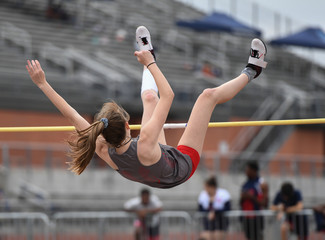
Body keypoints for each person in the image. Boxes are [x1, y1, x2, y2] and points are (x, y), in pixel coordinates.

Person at [25, 26, 268, 189]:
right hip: (182, 166)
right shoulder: (144, 139)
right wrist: (151, 64)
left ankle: (146, 49)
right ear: (129, 127)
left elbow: (72, 115)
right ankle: (252, 70)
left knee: (150, 99)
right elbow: (169, 95)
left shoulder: (102, 148)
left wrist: (43, 84)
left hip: (156, 166)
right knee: (207, 96)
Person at [240, 161, 269, 240]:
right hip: (247, 217)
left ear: (253, 170)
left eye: (247, 170)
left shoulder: (261, 183)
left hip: (257, 217)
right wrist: (243, 197)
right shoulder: (245, 184)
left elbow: (265, 203)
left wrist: (252, 197)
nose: (246, 172)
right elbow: (241, 202)